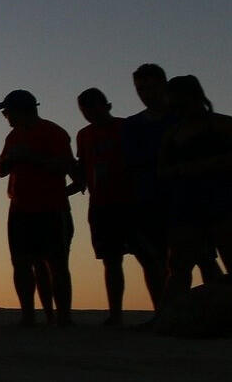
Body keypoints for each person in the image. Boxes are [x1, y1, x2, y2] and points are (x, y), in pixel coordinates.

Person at [158, 77, 232, 304]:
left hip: (226, 198)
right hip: (187, 201)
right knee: (179, 263)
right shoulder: (173, 133)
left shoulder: (224, 124)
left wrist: (212, 164)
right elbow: (162, 171)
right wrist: (182, 170)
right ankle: (170, 314)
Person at [74, 89, 165, 326]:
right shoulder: (84, 135)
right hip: (101, 205)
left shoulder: (128, 127)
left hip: (133, 203)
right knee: (111, 260)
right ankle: (116, 314)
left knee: (148, 258)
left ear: (106, 106)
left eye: (93, 108)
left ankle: (162, 311)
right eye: (85, 110)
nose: (90, 114)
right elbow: (83, 169)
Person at [0, 90, 79, 327]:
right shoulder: (13, 136)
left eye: (7, 112)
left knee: (56, 264)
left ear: (21, 111)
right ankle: (28, 315)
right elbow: (0, 169)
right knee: (21, 263)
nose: (5, 116)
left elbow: (65, 166)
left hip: (51, 208)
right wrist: (9, 160)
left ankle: (63, 317)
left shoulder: (53, 132)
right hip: (20, 208)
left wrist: (32, 158)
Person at [121, 64, 175, 314]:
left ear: (164, 85)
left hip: (184, 198)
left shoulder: (181, 118)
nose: (146, 94)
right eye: (141, 89)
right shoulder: (132, 125)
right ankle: (162, 312)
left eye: (152, 88)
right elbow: (128, 163)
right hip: (145, 199)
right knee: (151, 260)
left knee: (200, 258)